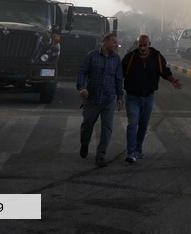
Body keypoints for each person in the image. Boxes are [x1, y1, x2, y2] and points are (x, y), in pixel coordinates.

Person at [121, 33, 182, 164]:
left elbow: (164, 71)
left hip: (148, 97)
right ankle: (131, 152)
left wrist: (173, 81)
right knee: (132, 124)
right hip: (132, 97)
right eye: (140, 45)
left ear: (149, 44)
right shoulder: (130, 57)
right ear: (137, 45)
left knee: (143, 125)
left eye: (145, 45)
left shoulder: (157, 57)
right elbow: (120, 73)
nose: (142, 48)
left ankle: (138, 149)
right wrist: (116, 91)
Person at [77, 32, 124, 167]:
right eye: (114, 42)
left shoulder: (116, 59)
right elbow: (82, 72)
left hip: (109, 99)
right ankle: (84, 144)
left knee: (107, 128)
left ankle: (100, 156)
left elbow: (119, 79)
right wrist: (82, 87)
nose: (116, 45)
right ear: (106, 42)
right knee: (87, 125)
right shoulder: (92, 56)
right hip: (92, 98)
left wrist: (120, 97)